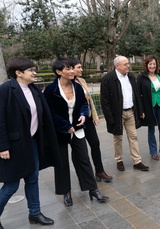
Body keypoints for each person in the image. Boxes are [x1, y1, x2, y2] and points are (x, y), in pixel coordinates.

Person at [0, 57, 61, 228]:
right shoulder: (6, 90)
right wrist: (2, 146)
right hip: (13, 146)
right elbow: (0, 120)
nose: (35, 73)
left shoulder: (34, 89)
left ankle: (35, 213)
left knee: (33, 179)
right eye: (31, 70)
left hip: (32, 143)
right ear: (18, 73)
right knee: (11, 185)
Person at [44, 57, 108, 207]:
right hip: (60, 131)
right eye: (68, 69)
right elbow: (49, 113)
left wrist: (83, 114)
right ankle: (66, 192)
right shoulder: (50, 90)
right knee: (62, 162)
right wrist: (65, 125)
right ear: (59, 72)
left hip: (78, 130)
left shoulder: (77, 87)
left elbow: (84, 104)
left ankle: (92, 189)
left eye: (72, 68)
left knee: (83, 159)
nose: (72, 71)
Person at [100, 56, 149, 171]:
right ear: (117, 66)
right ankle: (119, 160)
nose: (128, 66)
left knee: (133, 137)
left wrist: (140, 110)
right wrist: (110, 118)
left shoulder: (131, 77)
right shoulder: (108, 79)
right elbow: (104, 101)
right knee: (118, 137)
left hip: (131, 111)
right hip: (117, 114)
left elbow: (136, 95)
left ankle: (137, 161)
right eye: (125, 64)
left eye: (128, 63)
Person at [69, 57, 113, 182]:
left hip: (87, 119)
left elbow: (89, 100)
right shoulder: (67, 84)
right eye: (79, 67)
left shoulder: (81, 81)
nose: (81, 69)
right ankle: (85, 177)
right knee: (80, 151)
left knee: (95, 144)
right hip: (76, 122)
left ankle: (99, 171)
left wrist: (94, 116)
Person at [137, 55, 160, 160]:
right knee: (151, 129)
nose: (152, 66)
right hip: (149, 107)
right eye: (150, 64)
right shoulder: (142, 77)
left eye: (154, 64)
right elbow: (138, 95)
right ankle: (153, 152)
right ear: (146, 65)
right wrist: (141, 110)